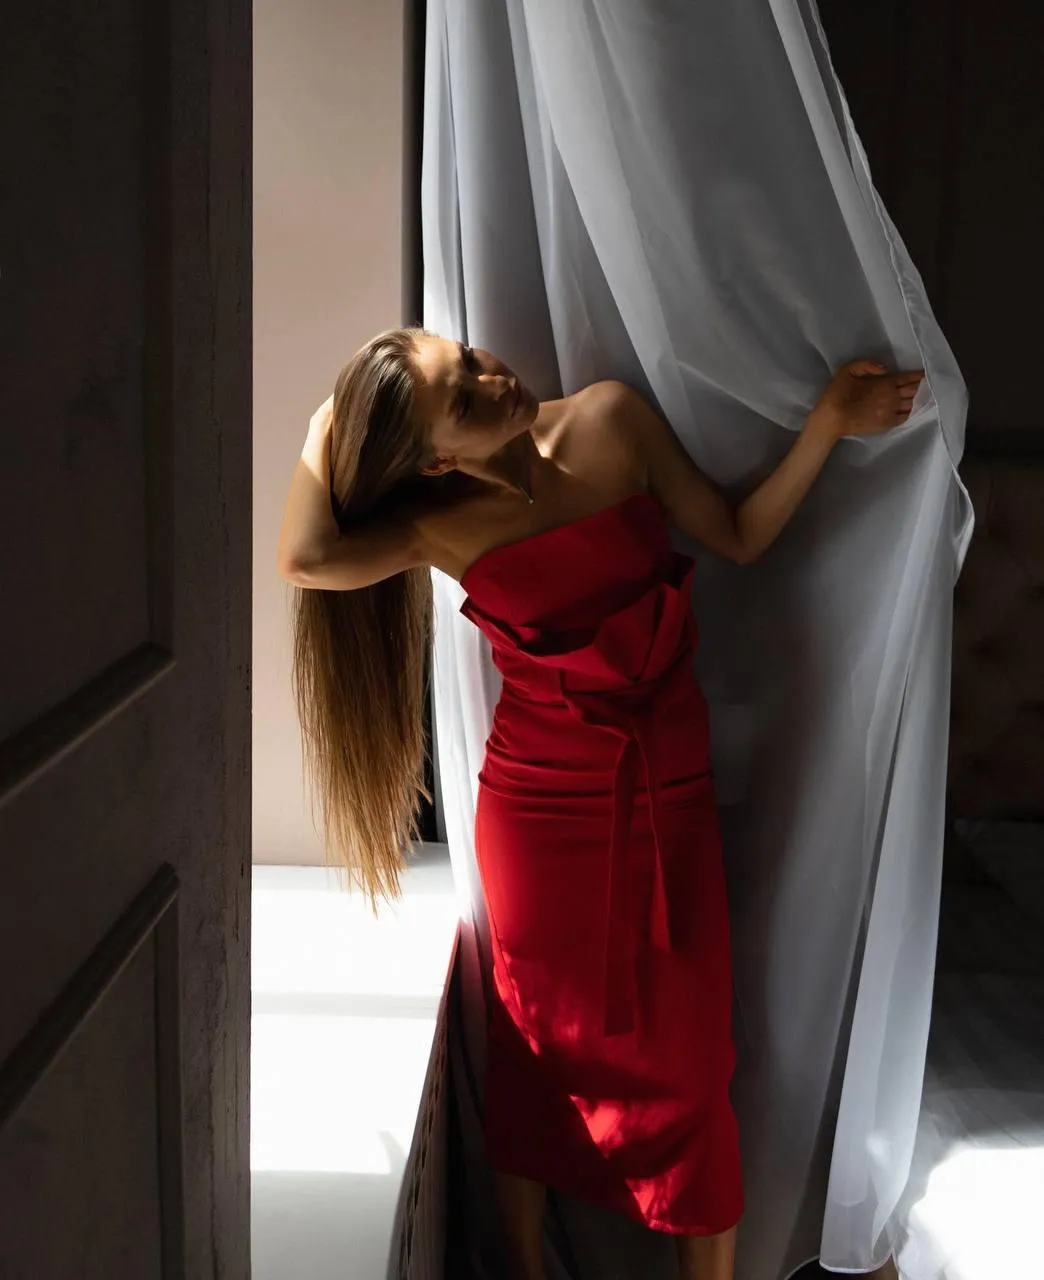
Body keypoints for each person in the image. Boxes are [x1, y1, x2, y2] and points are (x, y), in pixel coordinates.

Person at [277, 327, 921, 1280]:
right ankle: (530, 1271)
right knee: (538, 1054)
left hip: (666, 793)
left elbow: (740, 536)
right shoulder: (435, 520)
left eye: (470, 362)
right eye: (464, 401)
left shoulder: (611, 421)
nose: (497, 382)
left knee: (697, 1070)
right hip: (536, 816)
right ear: (436, 457)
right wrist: (345, 409)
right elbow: (304, 556)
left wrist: (828, 421)